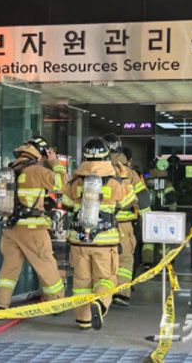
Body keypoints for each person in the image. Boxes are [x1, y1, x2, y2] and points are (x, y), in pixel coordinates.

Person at [62, 137, 130, 330]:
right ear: (106, 157)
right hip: (104, 242)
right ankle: (99, 303)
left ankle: (83, 320)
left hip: (79, 241)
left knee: (81, 282)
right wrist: (124, 179)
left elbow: (66, 204)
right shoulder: (114, 182)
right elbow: (127, 202)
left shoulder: (75, 181)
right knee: (106, 279)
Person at [0, 136, 69, 309]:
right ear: (41, 153)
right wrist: (54, 162)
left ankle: (1, 303)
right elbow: (63, 184)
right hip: (33, 229)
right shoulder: (36, 170)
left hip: (10, 228)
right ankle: (56, 302)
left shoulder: (10, 170)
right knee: (46, 265)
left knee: (9, 269)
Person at [103, 134, 151, 307]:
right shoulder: (129, 173)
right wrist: (147, 218)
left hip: (100, 225)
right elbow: (143, 197)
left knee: (103, 259)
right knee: (124, 260)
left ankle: (103, 294)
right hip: (123, 226)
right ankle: (121, 294)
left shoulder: (92, 170)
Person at [142, 158, 178, 268]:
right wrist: (173, 213)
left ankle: (147, 263)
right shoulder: (166, 183)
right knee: (164, 238)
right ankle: (167, 263)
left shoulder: (146, 182)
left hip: (149, 214)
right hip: (163, 214)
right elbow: (171, 198)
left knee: (148, 240)